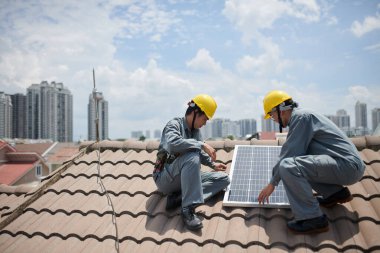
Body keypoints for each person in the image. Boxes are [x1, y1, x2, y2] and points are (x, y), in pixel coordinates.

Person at [258, 90, 365, 234]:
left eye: (272, 115)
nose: (274, 119)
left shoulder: (301, 118)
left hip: (347, 166)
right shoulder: (303, 116)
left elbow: (289, 152)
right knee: (301, 160)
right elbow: (298, 152)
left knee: (288, 166)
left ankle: (312, 218)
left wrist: (272, 183)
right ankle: (335, 194)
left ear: (281, 109)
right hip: (345, 165)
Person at [153, 94, 230, 231]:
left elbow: (199, 152)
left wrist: (213, 165)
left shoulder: (195, 132)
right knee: (191, 156)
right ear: (195, 113)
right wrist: (201, 144)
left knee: (223, 179)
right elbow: (172, 145)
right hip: (165, 178)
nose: (205, 123)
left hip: (183, 176)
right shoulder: (174, 125)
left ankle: (179, 198)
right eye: (205, 118)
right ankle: (187, 209)